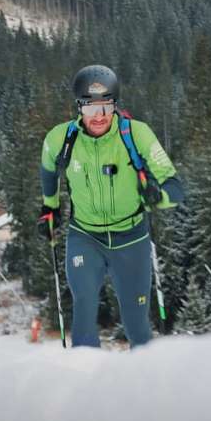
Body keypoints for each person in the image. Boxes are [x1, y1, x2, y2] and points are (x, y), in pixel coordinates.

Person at [38, 65, 184, 348]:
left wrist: (157, 196)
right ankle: (86, 382)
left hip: (132, 238)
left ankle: (143, 384)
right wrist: (50, 207)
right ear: (78, 108)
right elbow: (47, 169)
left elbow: (175, 188)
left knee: (137, 325)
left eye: (106, 107)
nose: (99, 117)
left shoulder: (136, 134)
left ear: (115, 105)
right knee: (84, 308)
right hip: (85, 237)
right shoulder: (60, 139)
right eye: (91, 109)